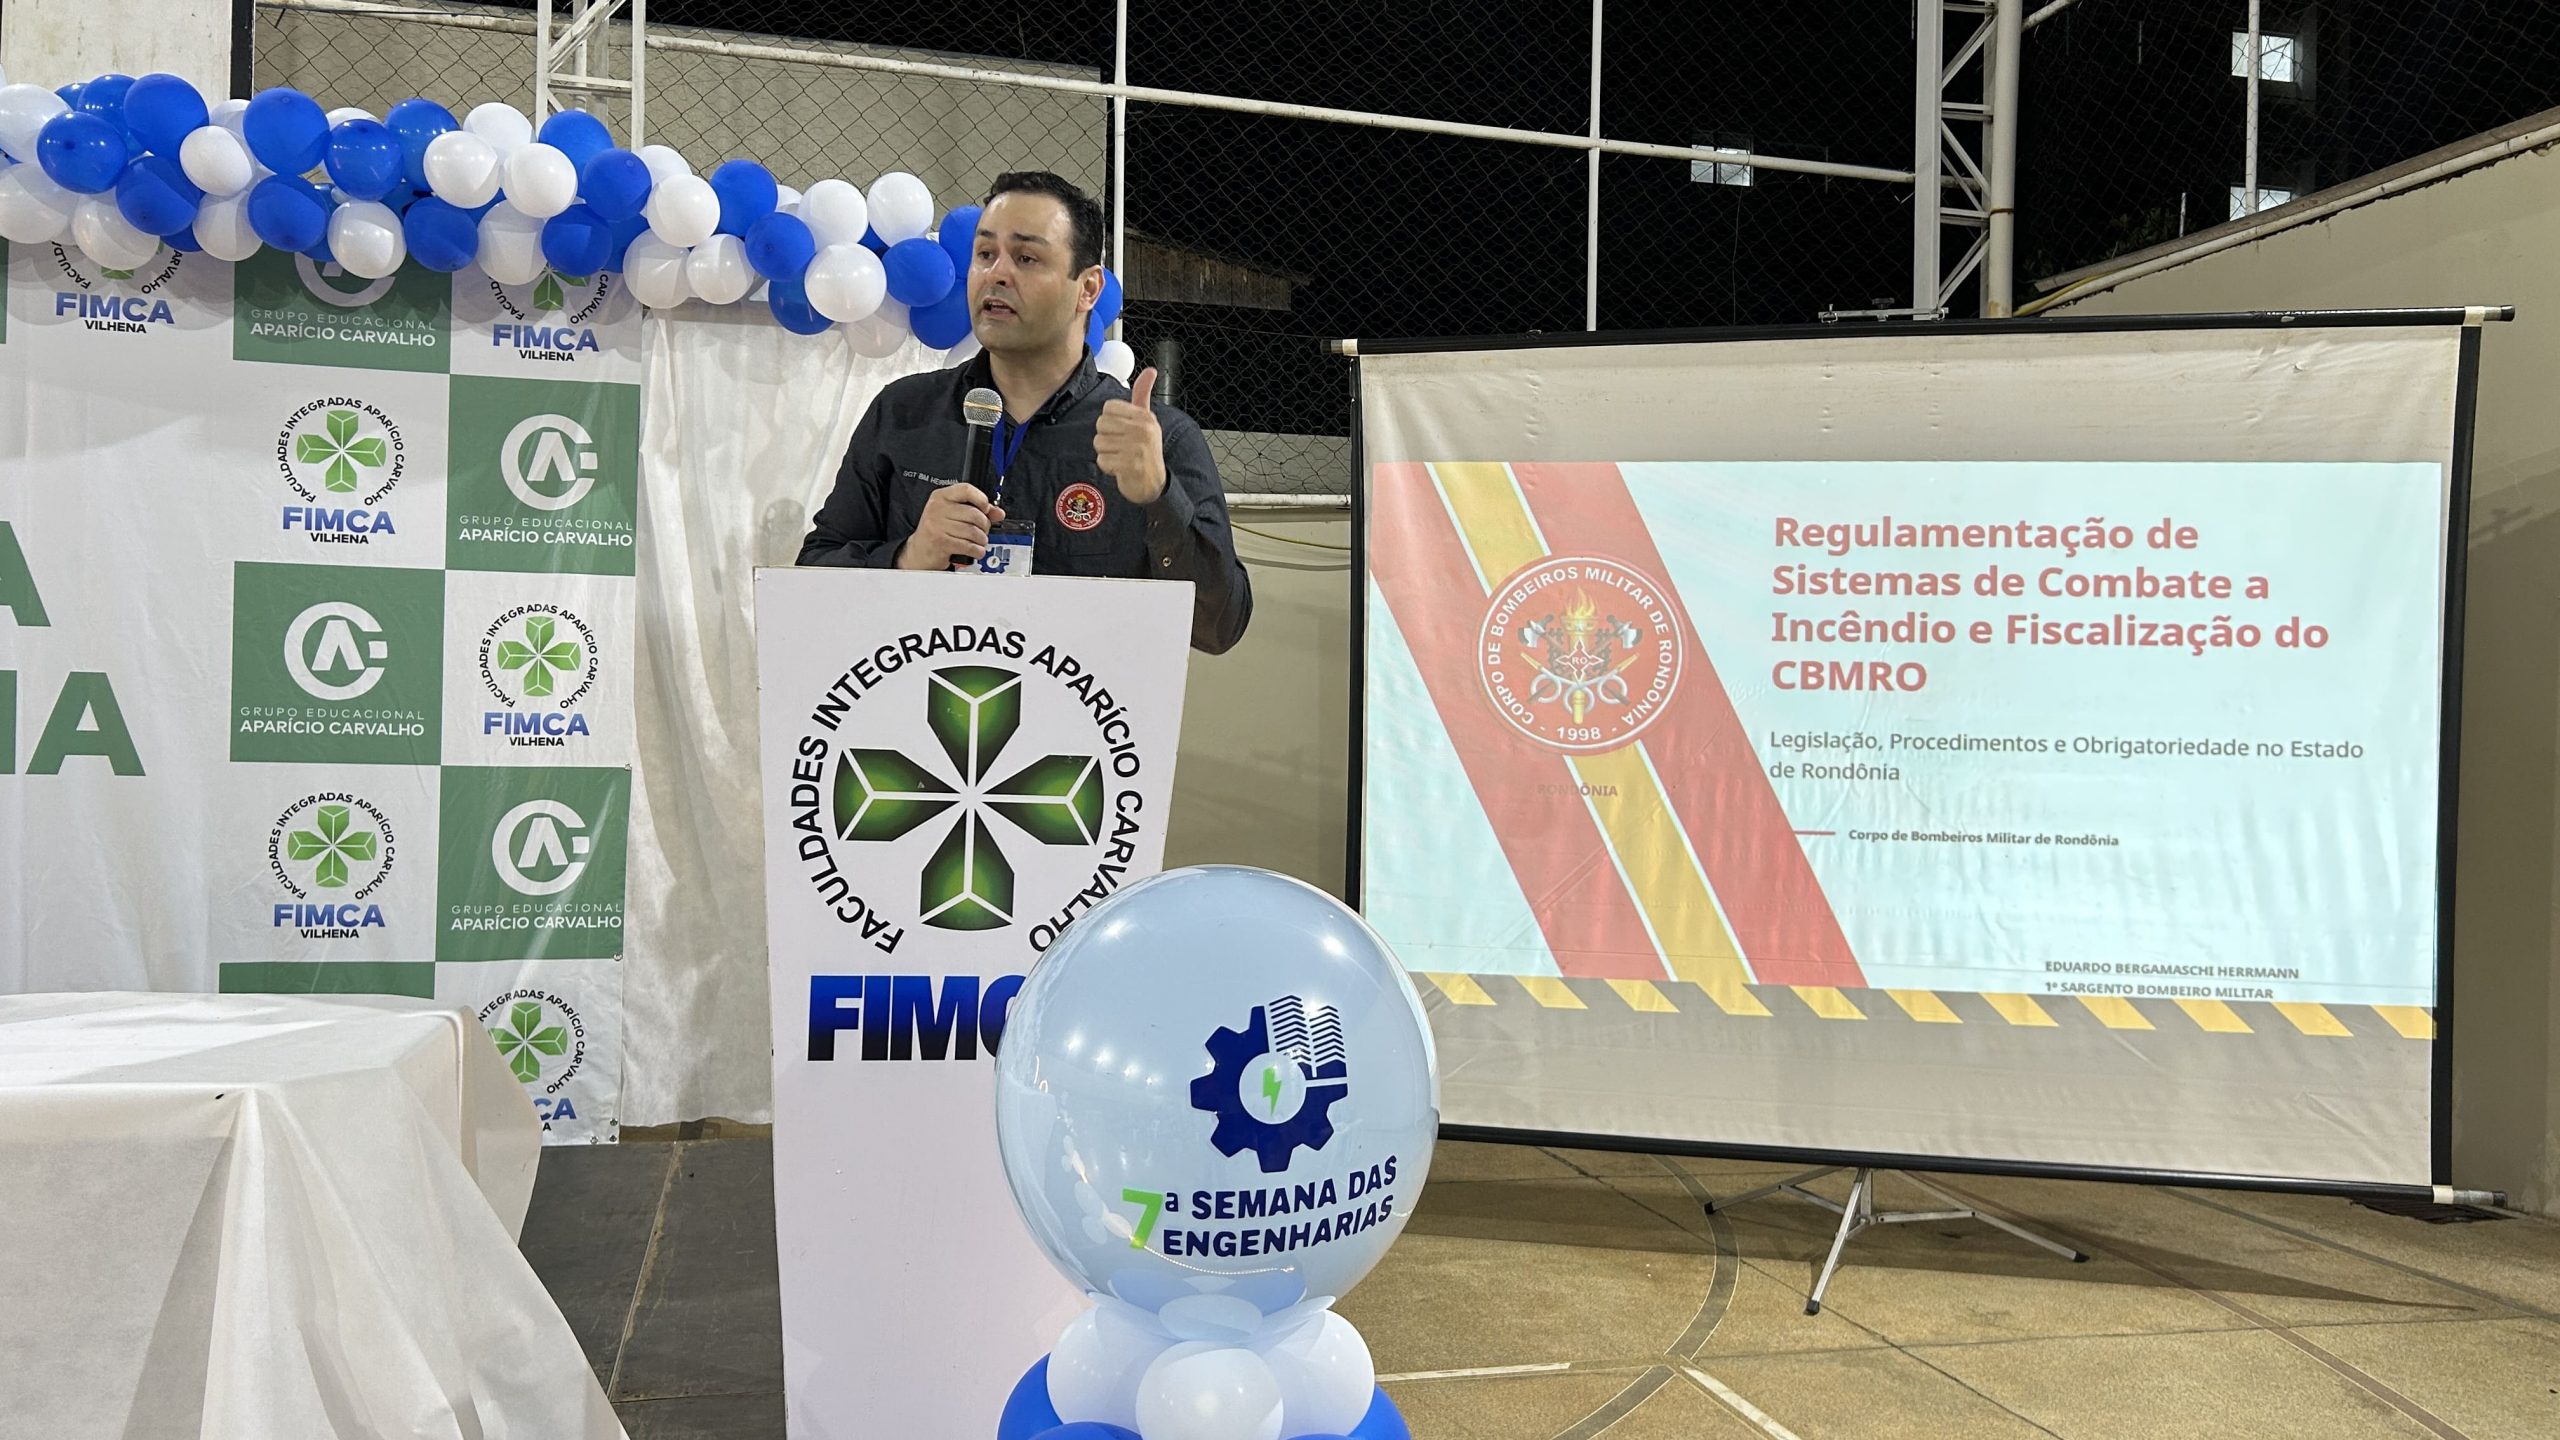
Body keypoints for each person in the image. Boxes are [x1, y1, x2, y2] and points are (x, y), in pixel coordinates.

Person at [799, 171, 1252, 655]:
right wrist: (909, 556)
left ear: (1088, 289)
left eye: (1026, 257)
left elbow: (1218, 629)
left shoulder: (1156, 439)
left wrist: (1159, 498)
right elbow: (811, 581)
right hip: (921, 694)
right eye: (984, 254)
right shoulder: (904, 412)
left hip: (1082, 700)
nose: (996, 274)